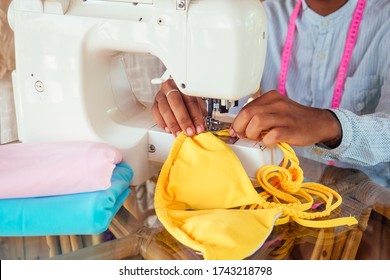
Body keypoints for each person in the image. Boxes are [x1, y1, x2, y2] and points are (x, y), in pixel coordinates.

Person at [151, 0, 390, 188]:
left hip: (367, 200)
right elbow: (230, 102)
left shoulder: (384, 20)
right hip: (275, 181)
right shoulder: (260, 16)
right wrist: (191, 91)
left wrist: (330, 124)